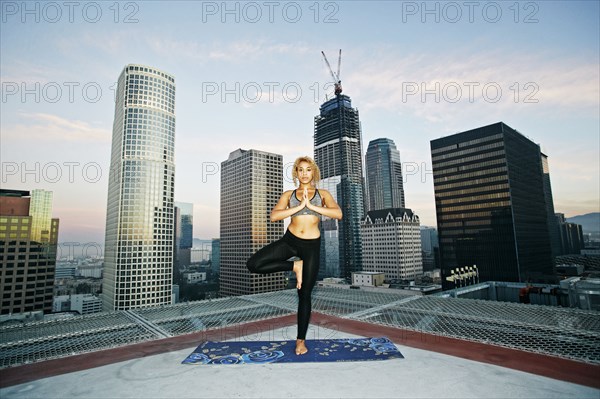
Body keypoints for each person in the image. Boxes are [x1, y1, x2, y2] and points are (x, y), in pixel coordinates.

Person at [246, 156, 342, 355]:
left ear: (313, 172)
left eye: (308, 170)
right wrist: (298, 207)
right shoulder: (288, 194)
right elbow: (274, 216)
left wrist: (312, 206)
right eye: (301, 170)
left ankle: (300, 341)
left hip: (311, 247)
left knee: (304, 294)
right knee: (254, 264)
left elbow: (337, 214)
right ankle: (294, 266)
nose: (305, 173)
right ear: (296, 173)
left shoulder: (322, 193)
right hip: (289, 242)